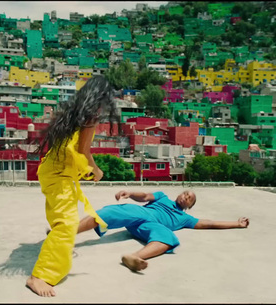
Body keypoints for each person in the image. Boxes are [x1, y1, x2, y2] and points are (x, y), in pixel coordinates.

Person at [26, 75, 120, 297]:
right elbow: (82, 152)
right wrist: (96, 171)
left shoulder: (74, 111)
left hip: (51, 170)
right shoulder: (90, 117)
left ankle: (55, 240)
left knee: (61, 218)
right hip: (59, 174)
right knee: (67, 224)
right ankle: (39, 276)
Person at [77, 189, 250, 272]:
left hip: (151, 227)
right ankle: (68, 231)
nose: (185, 197)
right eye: (185, 193)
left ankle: (134, 257)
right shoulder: (163, 197)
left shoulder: (185, 219)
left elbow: (210, 223)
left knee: (169, 237)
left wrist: (236, 223)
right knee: (112, 211)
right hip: (143, 213)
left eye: (189, 198)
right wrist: (130, 193)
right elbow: (144, 197)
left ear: (189, 206)